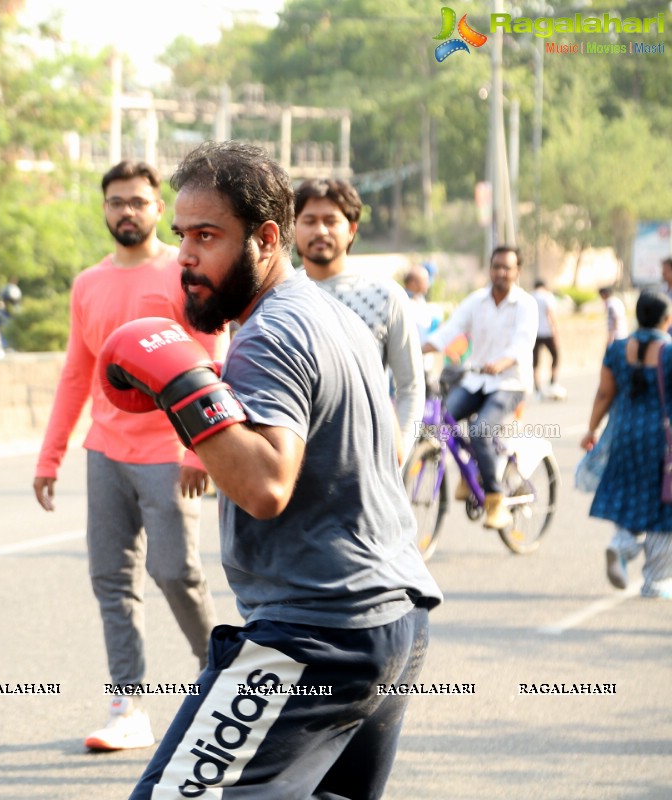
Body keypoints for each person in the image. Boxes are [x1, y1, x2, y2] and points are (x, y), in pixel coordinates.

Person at [98, 141, 441, 798]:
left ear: (265, 238)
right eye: (181, 236)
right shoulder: (328, 313)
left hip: (317, 633)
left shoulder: (271, 332)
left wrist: (181, 383)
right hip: (392, 621)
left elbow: (264, 485)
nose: (186, 258)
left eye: (207, 236)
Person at [33, 160, 224, 752]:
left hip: (168, 450)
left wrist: (202, 449)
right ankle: (128, 706)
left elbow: (208, 362)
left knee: (175, 572)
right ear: (105, 209)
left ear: (157, 210)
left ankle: (219, 675)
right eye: (116, 202)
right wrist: (50, 456)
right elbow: (76, 372)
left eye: (138, 202)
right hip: (106, 451)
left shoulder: (181, 274)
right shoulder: (88, 283)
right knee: (110, 580)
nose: (127, 212)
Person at [295, 178, 424, 457]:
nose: (320, 230)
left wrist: (396, 458)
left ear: (352, 230)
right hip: (295, 466)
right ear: (293, 229)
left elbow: (411, 386)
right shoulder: (278, 296)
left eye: (331, 220)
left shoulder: (385, 295)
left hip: (366, 462)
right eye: (309, 220)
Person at [422, 245, 538, 531]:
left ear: (517, 272)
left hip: (510, 383)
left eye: (507, 268)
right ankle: (470, 470)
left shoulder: (525, 304)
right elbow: (450, 330)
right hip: (476, 379)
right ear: (490, 268)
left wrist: (502, 362)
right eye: (496, 266)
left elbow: (523, 344)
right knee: (443, 418)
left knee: (480, 430)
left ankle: (496, 499)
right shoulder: (476, 301)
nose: (500, 272)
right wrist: (418, 349)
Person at [581, 290, 672, 599]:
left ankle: (621, 547)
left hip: (624, 435)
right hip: (662, 442)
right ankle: (656, 581)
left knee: (630, 494)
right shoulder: (670, 352)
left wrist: (591, 429)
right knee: (663, 508)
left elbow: (605, 394)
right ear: (667, 319)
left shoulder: (618, 350)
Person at [532, 278, 565, 400]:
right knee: (555, 356)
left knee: (535, 362)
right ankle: (552, 382)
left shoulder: (530, 297)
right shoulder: (547, 296)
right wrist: (556, 333)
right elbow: (551, 315)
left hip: (534, 333)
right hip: (547, 332)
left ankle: (537, 389)